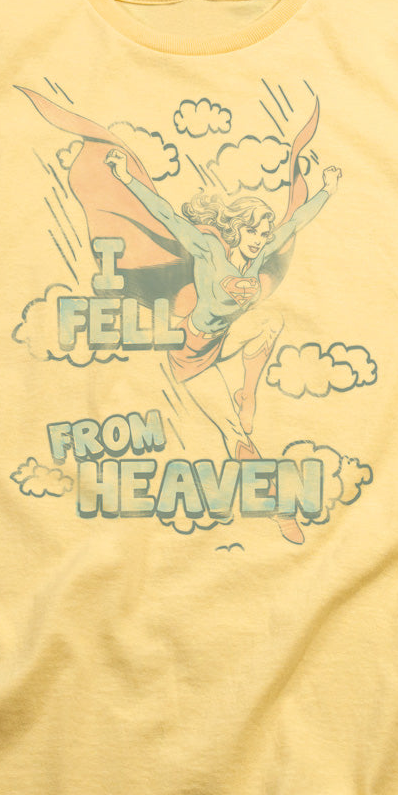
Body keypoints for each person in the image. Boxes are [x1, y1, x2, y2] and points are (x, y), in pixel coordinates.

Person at [106, 147, 341, 544]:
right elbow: (166, 215)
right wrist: (126, 177)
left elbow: (295, 221)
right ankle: (279, 509)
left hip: (223, 339)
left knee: (272, 320)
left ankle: (247, 392)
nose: (259, 241)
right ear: (236, 231)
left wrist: (327, 190)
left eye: (263, 234)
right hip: (189, 356)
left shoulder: (261, 253)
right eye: (253, 233)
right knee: (237, 437)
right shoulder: (209, 251)